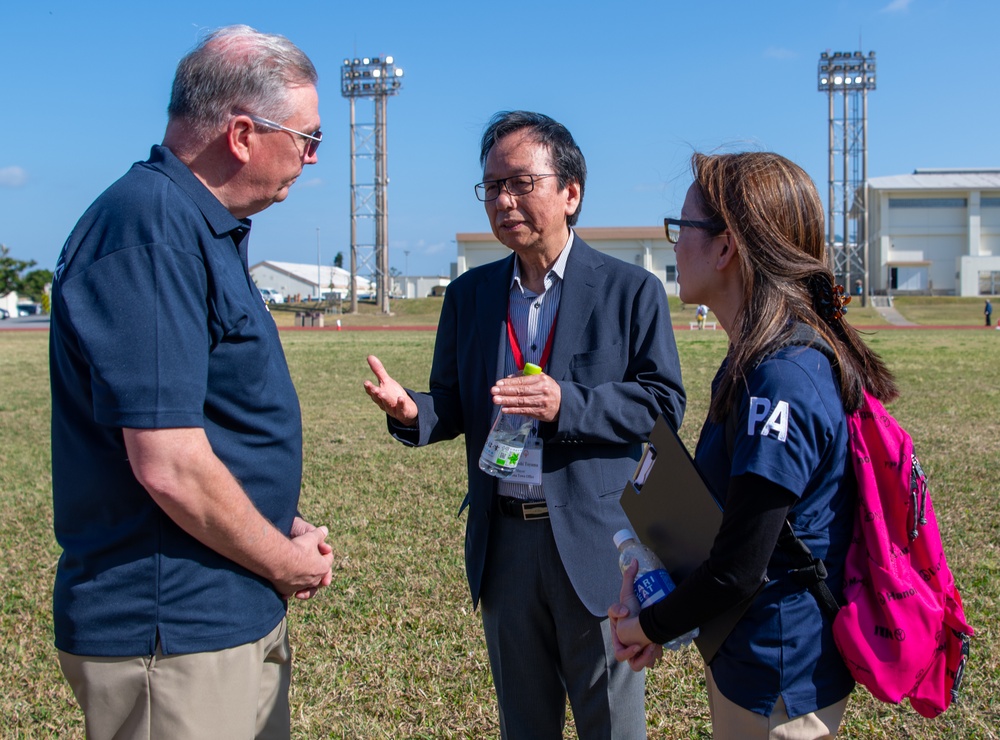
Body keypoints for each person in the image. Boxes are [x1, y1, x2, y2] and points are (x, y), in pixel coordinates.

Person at [49, 26, 333, 739]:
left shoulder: (200, 227)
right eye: (307, 138)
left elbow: (210, 419)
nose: (311, 157)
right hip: (172, 627)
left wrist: (274, 522)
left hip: (227, 606)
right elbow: (169, 463)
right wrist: (284, 559)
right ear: (242, 134)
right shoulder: (150, 228)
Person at [364, 110, 686, 739]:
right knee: (524, 725)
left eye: (520, 183)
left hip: (596, 549)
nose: (503, 200)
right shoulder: (471, 296)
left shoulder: (630, 291)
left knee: (612, 727)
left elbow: (661, 405)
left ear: (571, 192)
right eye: (491, 187)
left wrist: (565, 403)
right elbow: (453, 406)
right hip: (505, 545)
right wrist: (412, 412)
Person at [609, 151, 899, 739]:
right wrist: (659, 606)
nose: (673, 244)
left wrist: (650, 627)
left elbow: (738, 569)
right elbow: (722, 527)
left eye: (681, 227)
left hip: (779, 676)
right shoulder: (755, 358)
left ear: (725, 247)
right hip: (745, 652)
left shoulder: (781, 375)